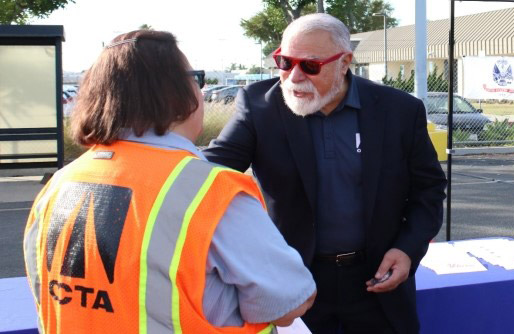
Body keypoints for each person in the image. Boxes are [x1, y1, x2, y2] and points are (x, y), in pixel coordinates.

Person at [23, 30, 316, 334]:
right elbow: (289, 303)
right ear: (178, 94)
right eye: (196, 78)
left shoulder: (59, 184)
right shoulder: (210, 192)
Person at [204, 14, 447, 334]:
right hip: (296, 285)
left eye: (310, 66)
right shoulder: (259, 105)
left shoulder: (399, 110)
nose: (293, 76)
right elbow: (209, 172)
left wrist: (407, 249)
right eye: (285, 62)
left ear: (345, 62)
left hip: (377, 282)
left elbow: (428, 190)